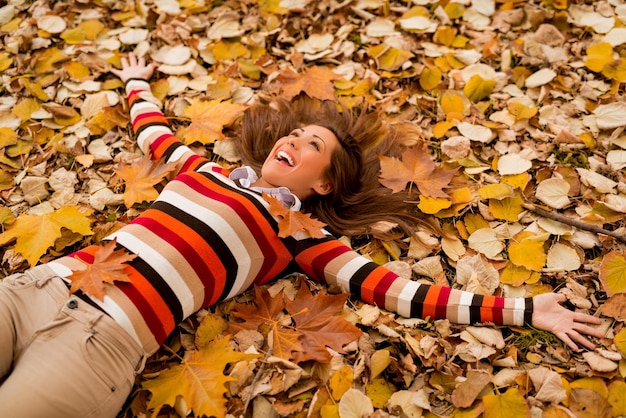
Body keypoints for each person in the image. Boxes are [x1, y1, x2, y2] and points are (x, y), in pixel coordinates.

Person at [0, 53, 605, 418]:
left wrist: (527, 309)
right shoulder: (202, 169)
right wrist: (136, 83)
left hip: (99, 345)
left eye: (313, 146)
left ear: (323, 183)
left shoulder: (300, 235)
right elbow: (152, 132)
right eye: (295, 135)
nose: (292, 142)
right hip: (39, 289)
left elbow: (398, 291)